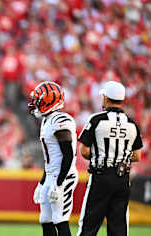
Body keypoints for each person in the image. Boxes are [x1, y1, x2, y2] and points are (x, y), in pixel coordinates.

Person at [77, 81, 143, 236]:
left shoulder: (97, 119)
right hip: (122, 179)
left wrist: (103, 157)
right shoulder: (132, 124)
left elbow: (84, 151)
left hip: (101, 177)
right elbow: (137, 156)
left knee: (89, 225)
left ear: (106, 98)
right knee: (118, 228)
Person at [28, 81, 78, 236]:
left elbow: (68, 155)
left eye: (38, 100)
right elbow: (50, 159)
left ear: (48, 100)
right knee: (45, 219)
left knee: (60, 219)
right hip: (51, 174)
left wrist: (59, 183)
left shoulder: (60, 120)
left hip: (64, 174)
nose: (34, 104)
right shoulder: (46, 120)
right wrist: (42, 182)